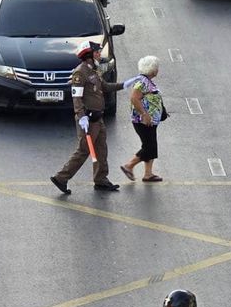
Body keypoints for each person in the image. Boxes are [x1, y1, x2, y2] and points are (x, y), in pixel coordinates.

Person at [50, 41, 131, 195]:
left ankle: (101, 180)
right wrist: (81, 116)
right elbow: (76, 97)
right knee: (83, 151)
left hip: (98, 118)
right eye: (96, 52)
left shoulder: (93, 70)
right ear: (88, 55)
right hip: (88, 119)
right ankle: (61, 178)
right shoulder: (80, 73)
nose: (99, 54)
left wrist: (124, 84)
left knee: (101, 149)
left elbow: (104, 86)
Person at [120, 56, 165, 183]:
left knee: (151, 145)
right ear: (152, 69)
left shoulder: (146, 81)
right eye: (156, 67)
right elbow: (134, 98)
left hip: (149, 120)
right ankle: (129, 165)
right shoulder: (142, 82)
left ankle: (148, 174)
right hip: (143, 121)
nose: (158, 70)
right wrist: (144, 114)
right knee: (149, 147)